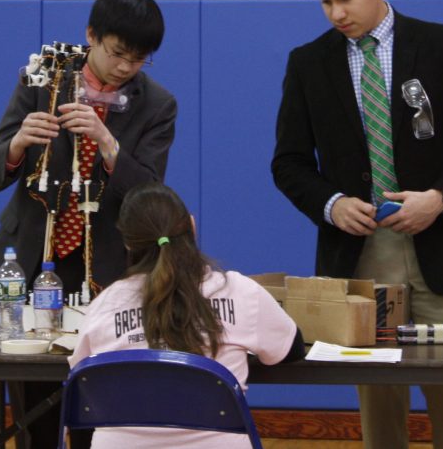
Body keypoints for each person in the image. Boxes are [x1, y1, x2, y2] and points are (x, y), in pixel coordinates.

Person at [271, 0, 443, 449]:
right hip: (360, 255)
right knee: (378, 404)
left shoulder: (442, 45)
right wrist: (330, 205)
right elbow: (288, 163)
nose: (336, 13)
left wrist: (439, 200)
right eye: (324, 2)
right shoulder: (307, 64)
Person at [0, 0, 177, 448]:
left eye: (140, 59)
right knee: (34, 412)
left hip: (105, 267)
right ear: (91, 36)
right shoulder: (40, 79)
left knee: (100, 407)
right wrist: (18, 144)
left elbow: (150, 195)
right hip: (33, 263)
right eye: (117, 53)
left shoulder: (157, 104)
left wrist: (110, 145)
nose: (126, 67)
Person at [69, 182, 305, 448]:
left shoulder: (104, 305)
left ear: (127, 243)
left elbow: (83, 382)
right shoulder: (240, 292)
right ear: (191, 226)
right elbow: (291, 349)